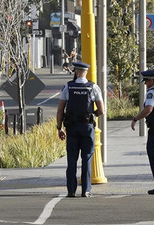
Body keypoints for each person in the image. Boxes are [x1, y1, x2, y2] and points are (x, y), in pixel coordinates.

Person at [56, 62, 104, 198]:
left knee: (72, 160)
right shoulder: (93, 87)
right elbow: (101, 110)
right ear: (86, 72)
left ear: (76, 72)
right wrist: (91, 116)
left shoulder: (68, 87)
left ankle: (71, 190)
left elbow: (60, 110)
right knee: (87, 158)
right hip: (87, 128)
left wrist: (59, 128)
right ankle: (86, 190)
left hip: (71, 128)